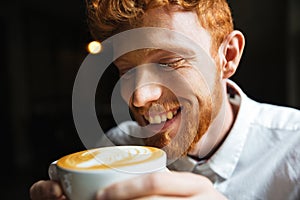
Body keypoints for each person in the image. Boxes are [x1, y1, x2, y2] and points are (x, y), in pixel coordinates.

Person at [30, 0, 300, 199]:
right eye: (126, 70)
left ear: (227, 57)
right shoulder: (118, 145)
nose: (139, 97)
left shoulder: (294, 149)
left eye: (169, 63)